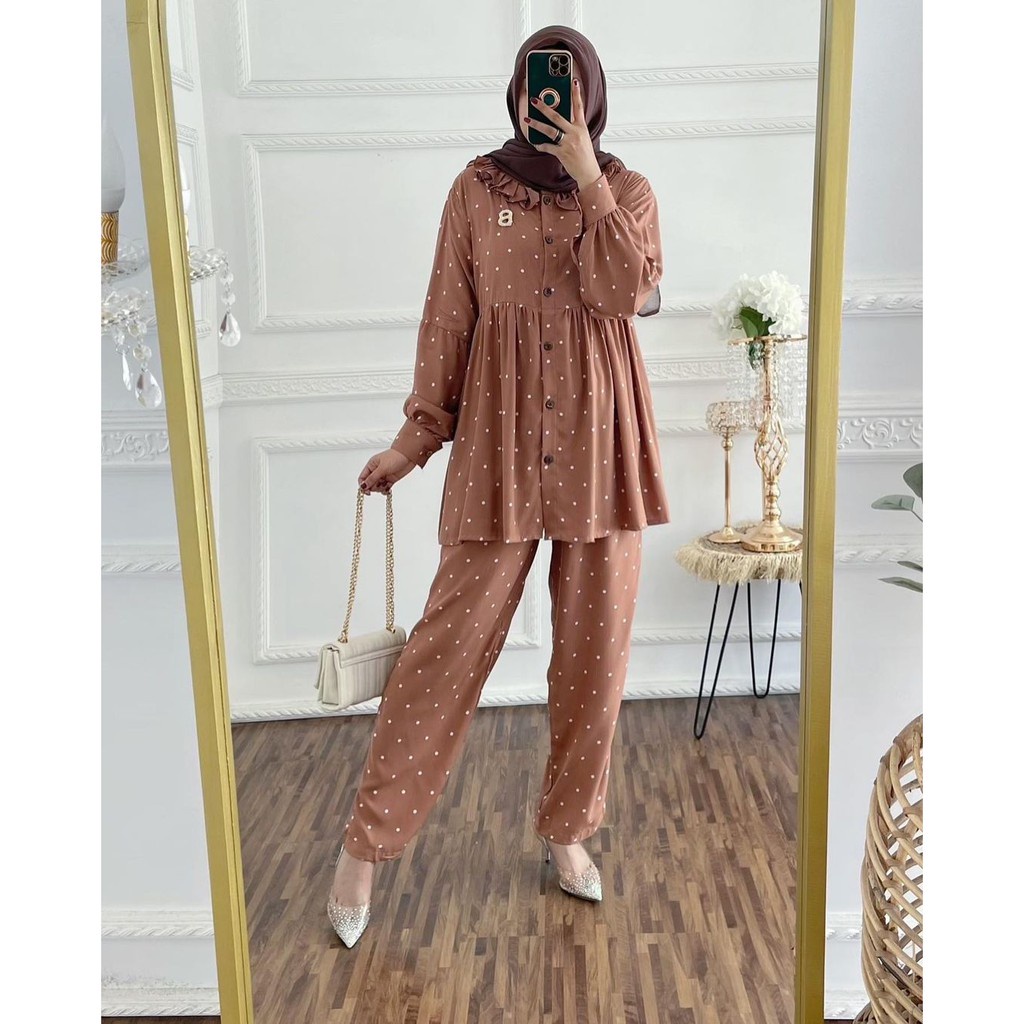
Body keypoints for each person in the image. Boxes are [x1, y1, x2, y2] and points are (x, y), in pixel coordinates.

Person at [326, 24, 670, 948]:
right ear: (515, 93)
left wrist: (588, 176)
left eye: (561, 86)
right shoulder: (476, 190)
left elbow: (625, 292)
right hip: (498, 445)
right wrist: (415, 439)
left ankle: (567, 831)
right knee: (443, 654)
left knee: (593, 662)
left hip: (602, 446)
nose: (543, 100)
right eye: (532, 84)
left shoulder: (629, 191)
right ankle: (364, 846)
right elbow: (449, 317)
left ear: (590, 96)